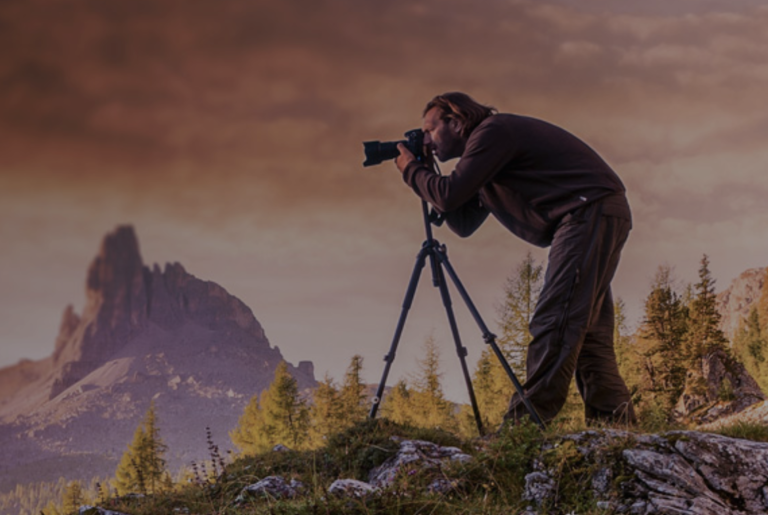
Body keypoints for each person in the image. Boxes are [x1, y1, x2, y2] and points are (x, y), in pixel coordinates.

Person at [394, 92, 636, 426]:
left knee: (556, 319)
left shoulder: (492, 132)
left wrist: (411, 171)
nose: (425, 139)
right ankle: (616, 428)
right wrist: (426, 173)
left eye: (430, 129)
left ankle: (523, 428)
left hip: (587, 211)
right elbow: (461, 221)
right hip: (596, 212)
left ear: (456, 120)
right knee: (590, 335)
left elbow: (448, 195)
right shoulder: (487, 154)